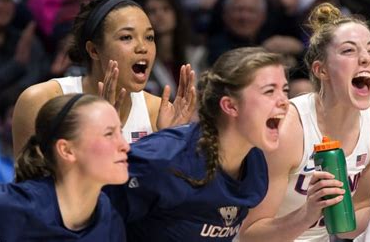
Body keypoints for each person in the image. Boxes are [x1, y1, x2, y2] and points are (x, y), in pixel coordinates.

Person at [239, 3, 370, 242]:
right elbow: (250, 234)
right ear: (321, 70)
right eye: (349, 51)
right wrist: (307, 215)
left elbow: (347, 223)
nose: (365, 58)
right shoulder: (288, 128)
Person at [105, 47, 290, 241]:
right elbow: (91, 213)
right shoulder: (163, 159)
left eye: (285, 90)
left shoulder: (255, 165)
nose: (284, 101)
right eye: (270, 91)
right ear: (230, 106)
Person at [12, 0, 196, 157]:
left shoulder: (158, 112)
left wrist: (172, 142)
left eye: (149, 37)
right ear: (94, 50)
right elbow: (30, 191)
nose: (143, 47)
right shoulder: (40, 101)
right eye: (126, 37)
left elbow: (168, 193)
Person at [0, 94, 129, 241]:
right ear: (66, 150)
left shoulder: (109, 218)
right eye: (109, 134)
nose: (125, 145)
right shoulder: (12, 207)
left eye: (121, 132)